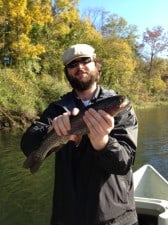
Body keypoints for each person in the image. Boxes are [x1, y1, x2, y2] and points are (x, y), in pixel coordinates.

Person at [20, 43, 138, 225]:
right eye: (72, 64)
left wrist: (103, 143)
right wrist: (50, 129)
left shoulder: (121, 108)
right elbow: (27, 145)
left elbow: (124, 163)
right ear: (67, 72)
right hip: (67, 216)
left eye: (85, 61)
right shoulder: (57, 108)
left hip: (115, 218)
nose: (79, 67)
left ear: (96, 66)